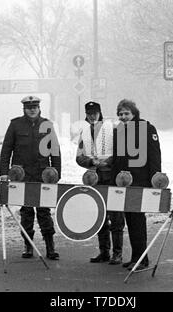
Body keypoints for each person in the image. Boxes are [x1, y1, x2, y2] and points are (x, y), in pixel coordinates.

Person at [0, 95, 61, 260]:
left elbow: (55, 151)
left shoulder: (46, 125)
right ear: (24, 109)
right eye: (29, 107)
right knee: (26, 212)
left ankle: (50, 247)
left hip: (42, 176)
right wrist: (4, 173)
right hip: (22, 176)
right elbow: (6, 150)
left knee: (44, 212)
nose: (32, 110)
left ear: (39, 108)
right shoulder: (15, 125)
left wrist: (56, 174)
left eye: (35, 107)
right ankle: (28, 246)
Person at [111, 99, 162, 271]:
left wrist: (155, 179)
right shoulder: (119, 130)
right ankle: (136, 257)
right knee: (130, 221)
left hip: (141, 181)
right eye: (120, 114)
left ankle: (141, 259)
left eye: (126, 113)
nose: (123, 117)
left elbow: (155, 156)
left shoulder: (147, 128)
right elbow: (118, 159)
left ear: (134, 113)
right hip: (124, 183)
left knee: (137, 220)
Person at [76, 101, 125, 265]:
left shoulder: (112, 130)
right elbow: (79, 157)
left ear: (100, 112)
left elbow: (120, 153)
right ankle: (104, 252)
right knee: (100, 216)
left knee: (116, 216)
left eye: (95, 112)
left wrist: (108, 161)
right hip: (94, 179)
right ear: (86, 114)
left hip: (111, 177)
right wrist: (91, 162)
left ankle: (117, 253)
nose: (92, 115)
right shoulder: (84, 132)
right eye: (89, 113)